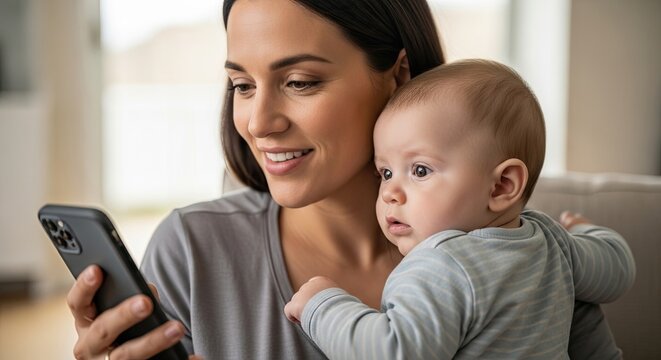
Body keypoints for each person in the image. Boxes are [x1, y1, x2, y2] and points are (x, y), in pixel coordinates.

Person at [64, 1, 625, 359]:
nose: (259, 123)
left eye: (301, 81)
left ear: (397, 74)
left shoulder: (522, 252)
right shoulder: (192, 251)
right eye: (242, 85)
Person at [283, 59, 636, 359]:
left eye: (420, 170)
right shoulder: (553, 242)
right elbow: (617, 270)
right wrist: (586, 231)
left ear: (502, 186)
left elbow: (393, 351)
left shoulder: (443, 265)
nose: (390, 192)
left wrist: (322, 304)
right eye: (385, 172)